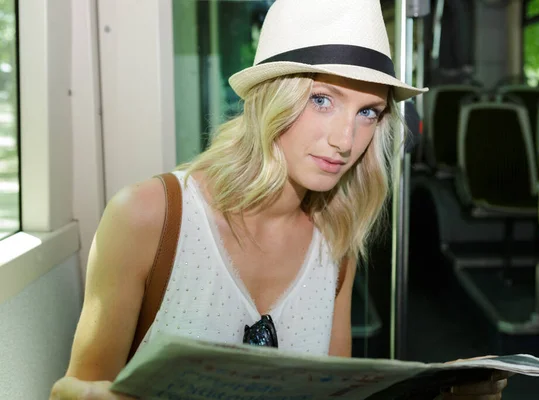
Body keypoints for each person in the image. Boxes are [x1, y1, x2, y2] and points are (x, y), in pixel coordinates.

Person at [50, 0, 510, 399]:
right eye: (323, 100)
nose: (345, 140)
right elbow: (73, 388)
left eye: (368, 112)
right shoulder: (149, 215)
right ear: (272, 97)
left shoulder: (336, 241)